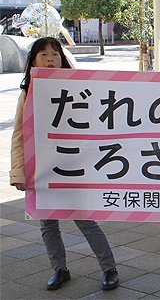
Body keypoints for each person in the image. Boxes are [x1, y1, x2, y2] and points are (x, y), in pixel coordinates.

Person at [10, 37, 119, 291]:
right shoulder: (28, 92)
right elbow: (18, 135)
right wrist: (18, 171)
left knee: (85, 220)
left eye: (54, 54)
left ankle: (109, 268)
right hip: (41, 170)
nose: (49, 59)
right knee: (47, 224)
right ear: (33, 60)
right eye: (43, 54)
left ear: (62, 59)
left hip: (73, 169)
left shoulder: (79, 88)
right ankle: (59, 269)